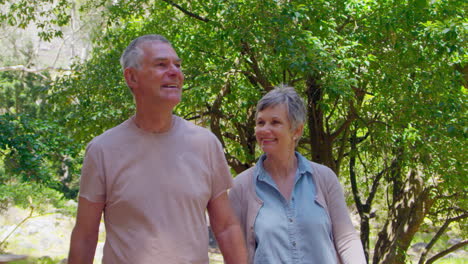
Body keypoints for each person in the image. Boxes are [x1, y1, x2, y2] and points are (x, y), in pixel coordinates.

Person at [68, 34, 248, 264]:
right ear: (131, 77)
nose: (175, 72)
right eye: (161, 65)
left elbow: (225, 227)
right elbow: (85, 235)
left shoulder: (205, 144)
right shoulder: (103, 150)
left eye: (178, 65)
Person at [228, 85, 366, 264]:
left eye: (275, 122)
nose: (264, 130)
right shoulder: (241, 186)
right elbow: (237, 255)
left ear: (297, 131)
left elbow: (346, 239)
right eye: (260, 122)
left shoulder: (324, 178)